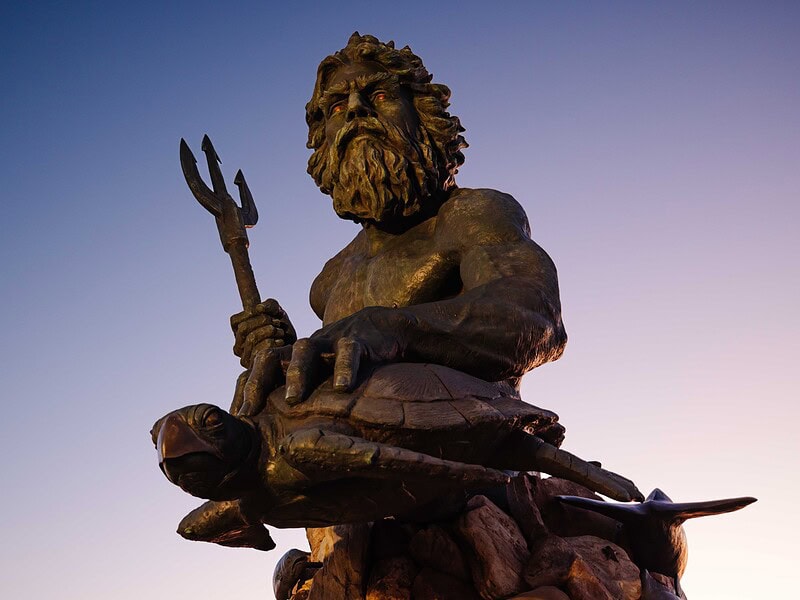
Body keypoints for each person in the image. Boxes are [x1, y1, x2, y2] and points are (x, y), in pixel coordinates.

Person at [230, 33, 567, 417]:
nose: (356, 111)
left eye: (380, 97)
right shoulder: (329, 281)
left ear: (423, 116)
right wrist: (286, 358)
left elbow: (536, 322)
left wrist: (391, 328)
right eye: (338, 107)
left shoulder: (471, 215)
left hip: (464, 440)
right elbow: (346, 375)